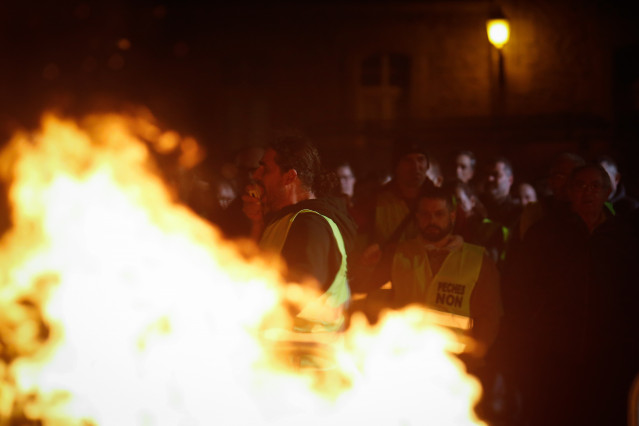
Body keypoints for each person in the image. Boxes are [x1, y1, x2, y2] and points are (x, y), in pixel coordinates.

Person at [502, 163, 616, 425]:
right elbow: (518, 288)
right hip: (553, 353)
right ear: (568, 192)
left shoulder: (621, 236)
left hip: (607, 355)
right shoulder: (545, 235)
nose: (587, 193)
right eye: (580, 186)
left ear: (607, 192)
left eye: (595, 186)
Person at [242, 134, 357, 336]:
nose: (257, 175)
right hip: (287, 358)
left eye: (266, 169)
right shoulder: (287, 221)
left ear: (290, 176)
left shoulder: (310, 223)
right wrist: (257, 225)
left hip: (305, 361)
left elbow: (304, 287)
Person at [480, 157, 522, 231]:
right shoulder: (476, 204)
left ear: (510, 180)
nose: (489, 178)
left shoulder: (517, 213)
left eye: (496, 175)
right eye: (487, 174)